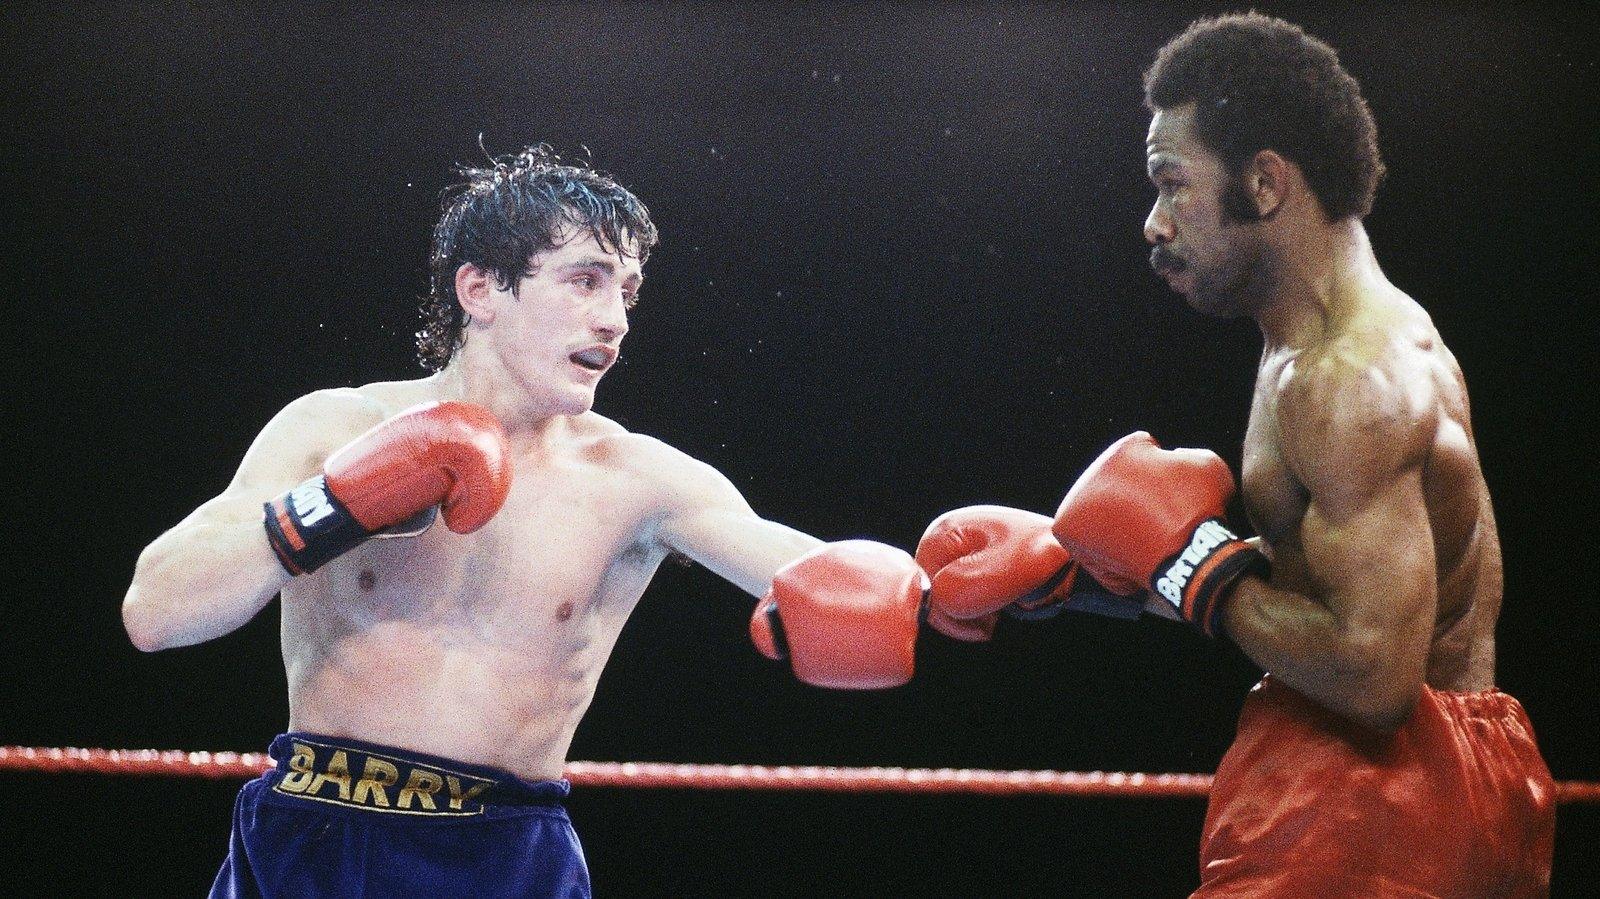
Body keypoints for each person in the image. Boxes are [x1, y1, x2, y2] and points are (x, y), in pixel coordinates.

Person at [121, 145, 928, 898]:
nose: (615, 319)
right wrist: (333, 507)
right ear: (480, 290)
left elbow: (830, 577)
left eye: (626, 291)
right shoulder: (333, 428)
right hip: (311, 836)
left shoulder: (640, 479)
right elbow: (155, 611)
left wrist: (960, 586)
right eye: (585, 280)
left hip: (505, 854)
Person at [921, 13, 1555, 896]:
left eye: (1172, 185)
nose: (1153, 223)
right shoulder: (1342, 345)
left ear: (1263, 182)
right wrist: (1094, 574)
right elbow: (1322, 580)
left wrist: (1188, 561)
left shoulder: (1345, 378)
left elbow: (1374, 674)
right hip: (1465, 782)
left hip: (1369, 792)